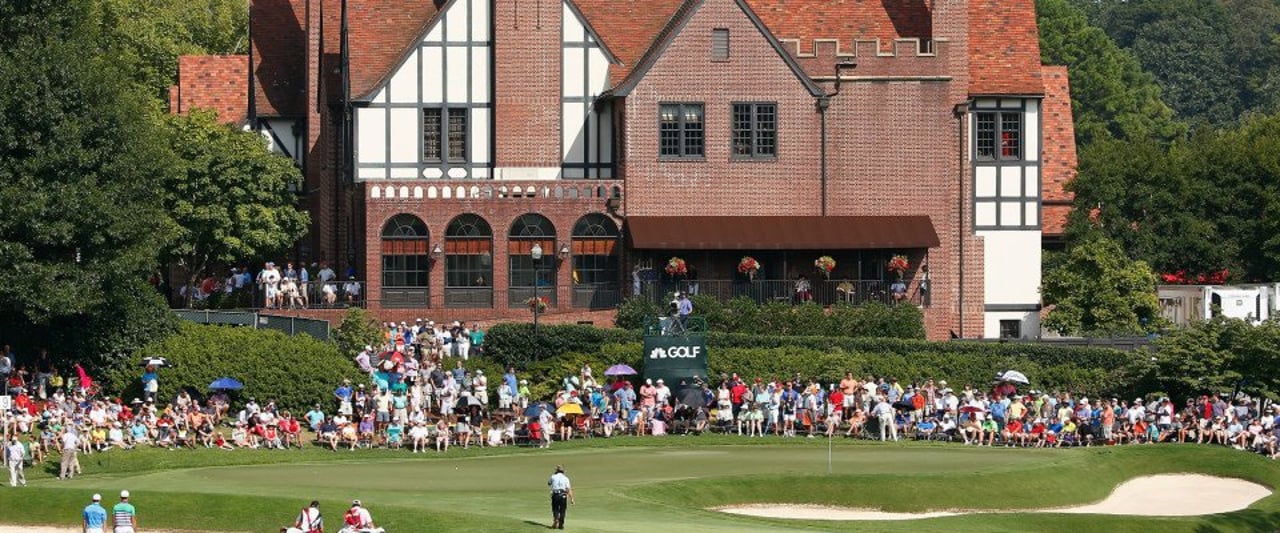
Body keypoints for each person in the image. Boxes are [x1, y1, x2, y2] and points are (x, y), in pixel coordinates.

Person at [547, 464, 575, 529]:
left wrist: (554, 475)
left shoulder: (553, 476)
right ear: (563, 471)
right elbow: (568, 489)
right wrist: (572, 499)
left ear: (556, 470)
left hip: (555, 495)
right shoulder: (566, 478)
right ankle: (561, 525)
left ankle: (556, 518)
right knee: (562, 510)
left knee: (555, 509)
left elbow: (549, 483)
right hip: (563, 495)